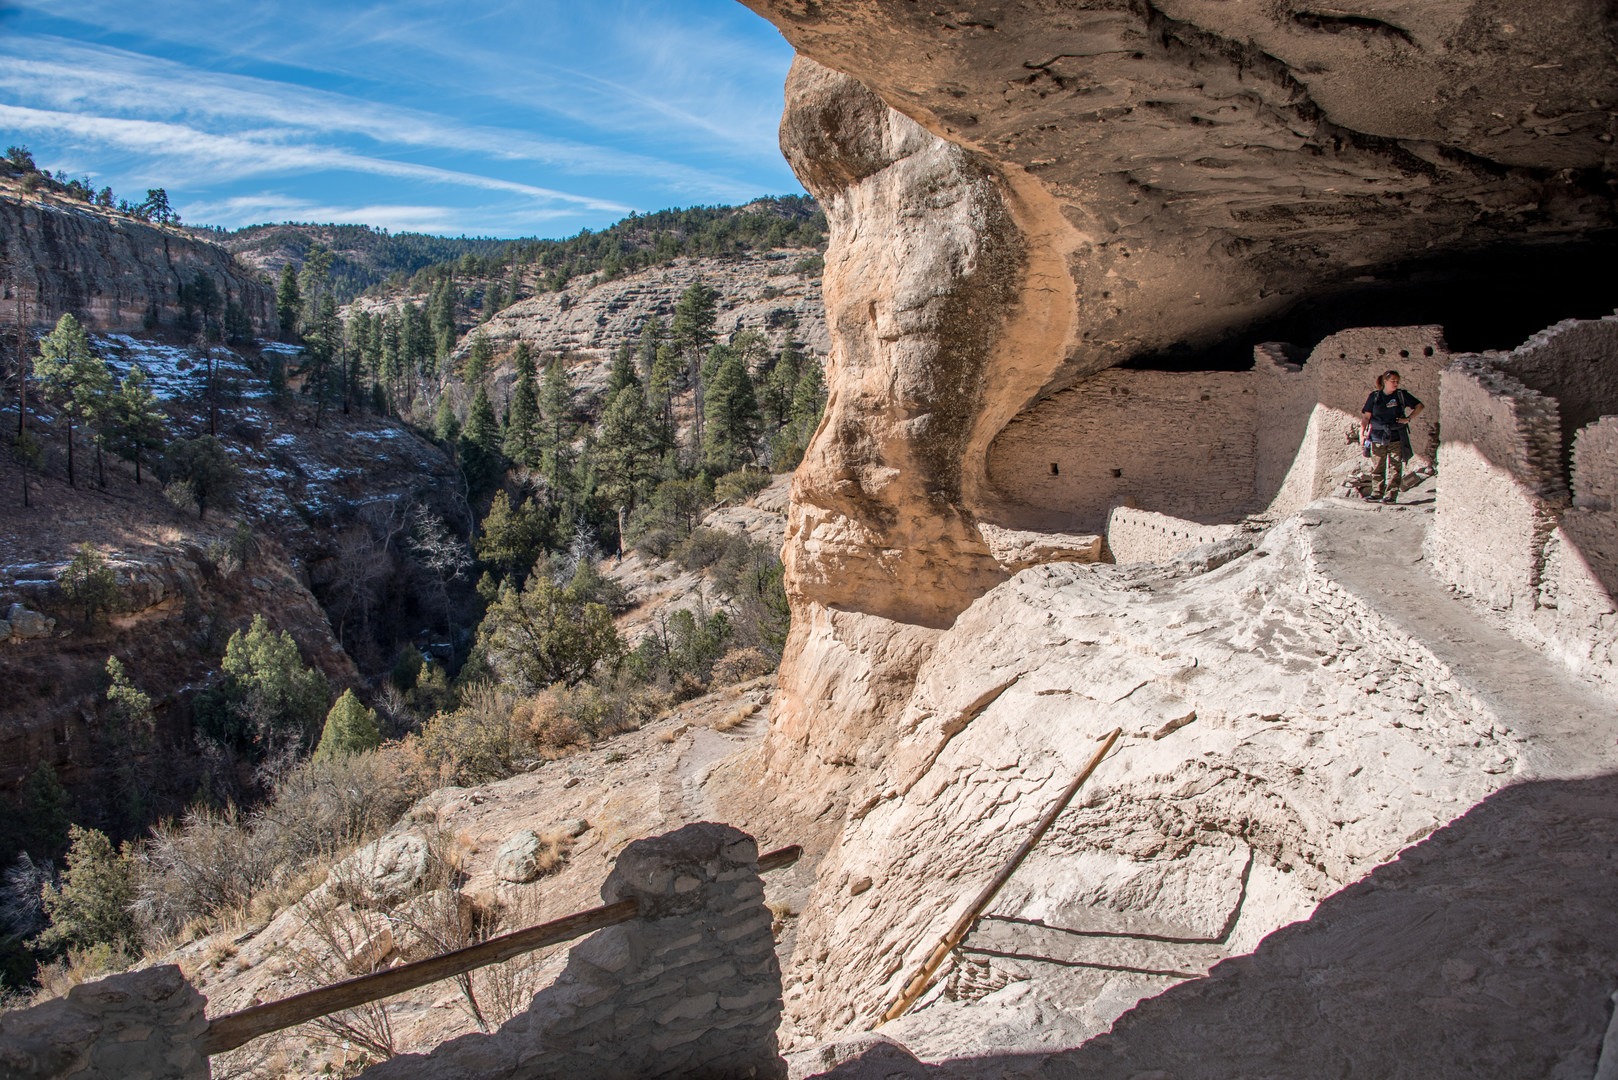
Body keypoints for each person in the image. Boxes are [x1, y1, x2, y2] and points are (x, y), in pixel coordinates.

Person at [1361, 370, 1423, 503]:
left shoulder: (1401, 395)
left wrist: (1409, 418)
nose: (1396, 383)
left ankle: (1391, 495)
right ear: (1385, 381)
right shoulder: (1375, 396)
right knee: (1378, 465)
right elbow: (1366, 416)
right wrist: (1362, 433)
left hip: (1396, 435)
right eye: (1393, 381)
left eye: (1397, 381)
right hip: (1377, 435)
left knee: (1395, 466)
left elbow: (1419, 406)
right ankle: (1377, 493)